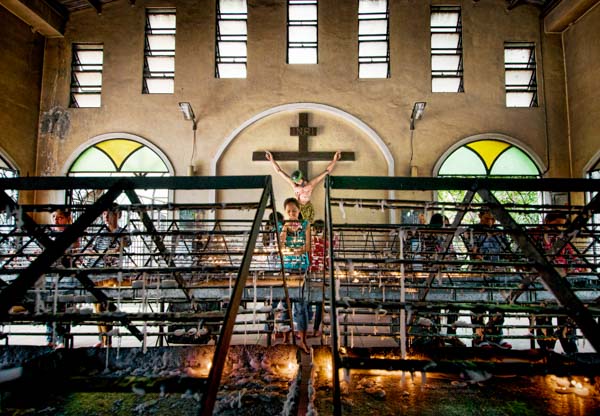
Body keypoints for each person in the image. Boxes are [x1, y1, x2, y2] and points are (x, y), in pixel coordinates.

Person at [87, 204, 131, 347]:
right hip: (97, 273)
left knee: (104, 306)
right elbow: (91, 250)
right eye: (105, 214)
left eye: (110, 214)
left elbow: (126, 244)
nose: (106, 217)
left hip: (112, 275)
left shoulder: (122, 232)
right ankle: (104, 340)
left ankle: (107, 341)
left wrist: (116, 245)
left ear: (118, 215)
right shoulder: (99, 232)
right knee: (98, 307)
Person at [266, 150, 341, 223]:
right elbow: (279, 171)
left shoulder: (310, 185)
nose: (297, 182)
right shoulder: (295, 186)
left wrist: (335, 160)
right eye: (296, 181)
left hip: (307, 207)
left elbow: (326, 171)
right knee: (295, 225)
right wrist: (271, 160)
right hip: (297, 207)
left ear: (301, 177)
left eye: (298, 180)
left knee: (307, 226)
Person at [279, 197, 311, 353]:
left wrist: (299, 250)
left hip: (301, 267)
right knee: (285, 304)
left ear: (299, 211)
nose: (292, 214)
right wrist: (285, 226)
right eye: (289, 212)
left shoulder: (305, 225)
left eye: (294, 211)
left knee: (300, 305)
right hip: (286, 267)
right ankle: (285, 339)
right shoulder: (282, 225)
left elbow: (308, 246)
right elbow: (281, 244)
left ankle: (303, 340)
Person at [46, 208, 79, 348]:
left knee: (62, 306)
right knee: (50, 304)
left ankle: (61, 339)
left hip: (65, 275)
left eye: (59, 217)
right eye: (54, 217)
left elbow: (74, 250)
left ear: (66, 219)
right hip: (52, 275)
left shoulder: (71, 235)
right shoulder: (49, 235)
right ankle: (51, 338)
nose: (56, 220)